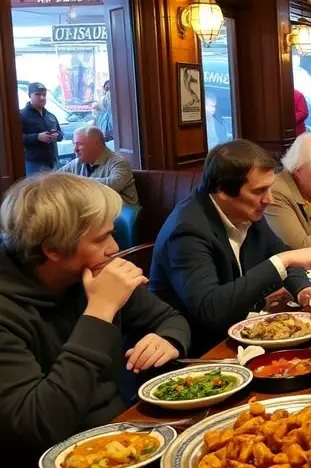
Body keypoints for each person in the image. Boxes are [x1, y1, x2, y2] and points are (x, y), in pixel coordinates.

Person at [0, 173, 189, 463]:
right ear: (51, 249)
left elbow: (170, 318)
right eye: (101, 238)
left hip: (126, 429)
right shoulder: (7, 309)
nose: (114, 248)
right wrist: (100, 311)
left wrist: (168, 338)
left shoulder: (98, 269)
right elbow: (38, 425)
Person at [149, 139, 311, 355]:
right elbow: (211, 310)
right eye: (259, 191)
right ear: (222, 190)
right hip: (201, 351)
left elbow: (279, 251)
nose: (269, 199)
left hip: (244, 334)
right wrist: (283, 261)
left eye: (270, 188)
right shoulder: (187, 230)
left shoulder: (245, 209)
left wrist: (303, 289)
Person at [57, 126, 139, 206]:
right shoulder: (77, 163)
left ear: (96, 144)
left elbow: (114, 184)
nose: (75, 149)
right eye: (74, 144)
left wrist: (79, 182)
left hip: (121, 215)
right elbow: (55, 178)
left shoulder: (119, 162)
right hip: (94, 213)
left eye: (80, 144)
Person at [21, 82, 64, 175]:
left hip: (53, 162)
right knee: (35, 189)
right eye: (37, 94)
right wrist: (37, 137)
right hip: (33, 164)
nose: (42, 97)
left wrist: (57, 135)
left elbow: (61, 134)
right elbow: (14, 139)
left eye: (44, 95)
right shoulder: (21, 115)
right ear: (29, 95)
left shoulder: (50, 116)